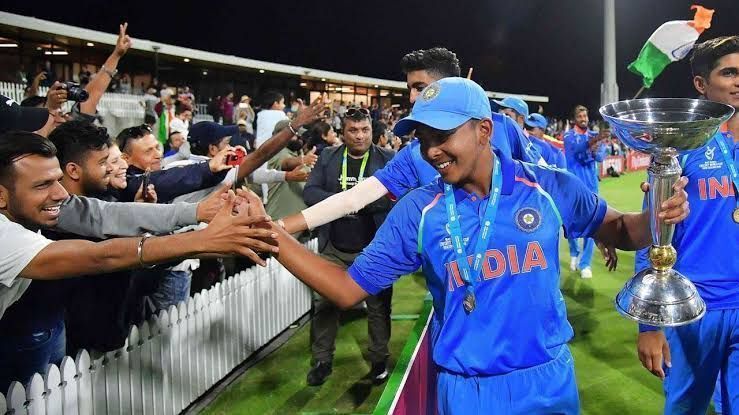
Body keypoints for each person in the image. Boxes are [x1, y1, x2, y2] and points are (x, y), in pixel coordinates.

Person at [245, 77, 689, 414]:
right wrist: (272, 235)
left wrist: (657, 221)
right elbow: (345, 289)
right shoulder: (419, 210)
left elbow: (621, 232)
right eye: (422, 138)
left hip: (548, 380)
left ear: (483, 130)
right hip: (465, 389)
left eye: (442, 136)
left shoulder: (549, 187)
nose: (431, 151)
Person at [0, 131, 278, 389]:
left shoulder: (42, 204)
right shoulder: (5, 236)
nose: (61, 193)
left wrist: (196, 213)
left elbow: (108, 215)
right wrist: (200, 240)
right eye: (43, 184)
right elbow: (101, 256)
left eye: (57, 180)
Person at [279, 47, 541, 234]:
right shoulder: (415, 154)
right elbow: (353, 199)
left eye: (420, 87)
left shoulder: (504, 127)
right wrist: (278, 227)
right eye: (410, 89)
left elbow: (547, 181)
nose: (413, 98)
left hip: (515, 267)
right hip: (457, 275)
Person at [635, 35, 739, 415]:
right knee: (685, 408)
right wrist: (649, 325)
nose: (738, 81)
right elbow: (655, 233)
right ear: (701, 84)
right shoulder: (680, 148)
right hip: (695, 308)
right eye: (729, 72)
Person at [302, 108, 395, 386]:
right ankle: (321, 361)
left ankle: (379, 360)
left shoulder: (387, 159)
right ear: (343, 132)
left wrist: (359, 203)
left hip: (375, 248)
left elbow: (394, 197)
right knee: (325, 305)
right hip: (334, 246)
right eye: (353, 130)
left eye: (365, 130)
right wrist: (342, 203)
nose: (360, 135)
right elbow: (309, 192)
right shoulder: (329, 157)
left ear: (372, 131)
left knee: (379, 308)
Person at [563, 105, 608, 279]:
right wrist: (592, 144)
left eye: (586, 115)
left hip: (591, 189)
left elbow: (600, 157)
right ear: (575, 119)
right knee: (570, 225)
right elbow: (578, 150)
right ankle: (574, 251)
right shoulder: (568, 137)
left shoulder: (593, 136)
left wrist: (596, 149)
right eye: (580, 116)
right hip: (573, 189)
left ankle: (585, 264)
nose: (584, 118)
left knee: (592, 226)